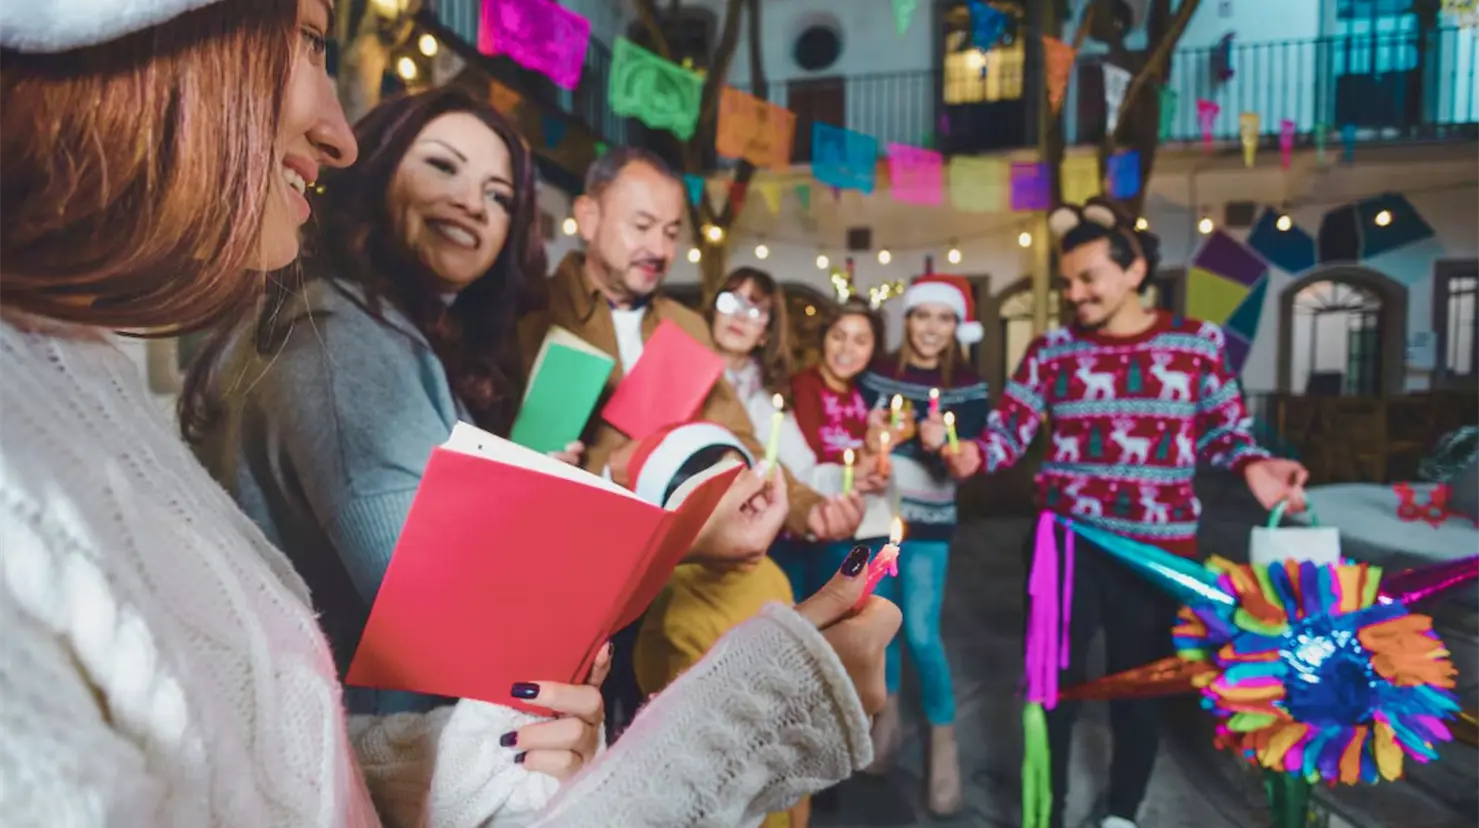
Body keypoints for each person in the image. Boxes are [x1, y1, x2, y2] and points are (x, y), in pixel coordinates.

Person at [0, 1, 899, 825]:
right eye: (312, 40)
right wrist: (697, 577)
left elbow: (258, 747)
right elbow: (461, 612)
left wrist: (439, 769)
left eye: (502, 194)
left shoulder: (79, 369)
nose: (336, 132)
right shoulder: (340, 341)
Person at [185, 87, 581, 716]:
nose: (471, 203)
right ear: (376, 169)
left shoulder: (359, 321)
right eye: (442, 165)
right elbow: (448, 620)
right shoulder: (343, 340)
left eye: (499, 195)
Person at [935, 197, 1309, 828]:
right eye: (1068, 282)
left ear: (1133, 270)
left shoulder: (1196, 344)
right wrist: (974, 454)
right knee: (1050, 692)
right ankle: (1043, 809)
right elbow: (1011, 430)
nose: (1075, 294)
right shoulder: (1052, 351)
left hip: (1157, 554)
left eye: (1088, 279)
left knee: (1141, 690)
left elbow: (1225, 433)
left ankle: (1123, 813)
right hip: (1064, 547)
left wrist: (1254, 465)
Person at [520, 148, 866, 733]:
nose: (659, 247)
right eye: (641, 225)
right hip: (563, 589)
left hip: (668, 589)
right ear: (587, 214)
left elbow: (742, 438)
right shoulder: (528, 316)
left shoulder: (685, 327)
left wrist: (811, 510)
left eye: (672, 231)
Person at [855, 273, 991, 816]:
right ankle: (884, 720)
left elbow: (966, 466)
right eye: (922, 315)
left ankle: (943, 741)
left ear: (957, 326)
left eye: (945, 318)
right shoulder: (877, 376)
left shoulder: (971, 387)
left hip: (931, 524)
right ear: (906, 319)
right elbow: (855, 437)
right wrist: (875, 436)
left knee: (920, 631)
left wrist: (943, 445)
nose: (932, 328)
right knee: (880, 625)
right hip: (874, 518)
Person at [772, 297, 892, 599]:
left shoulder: (862, 395)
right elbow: (806, 461)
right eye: (838, 336)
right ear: (823, 338)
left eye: (860, 341)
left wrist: (876, 465)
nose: (846, 350)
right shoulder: (800, 388)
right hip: (803, 532)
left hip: (853, 529)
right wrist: (859, 465)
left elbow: (859, 457)